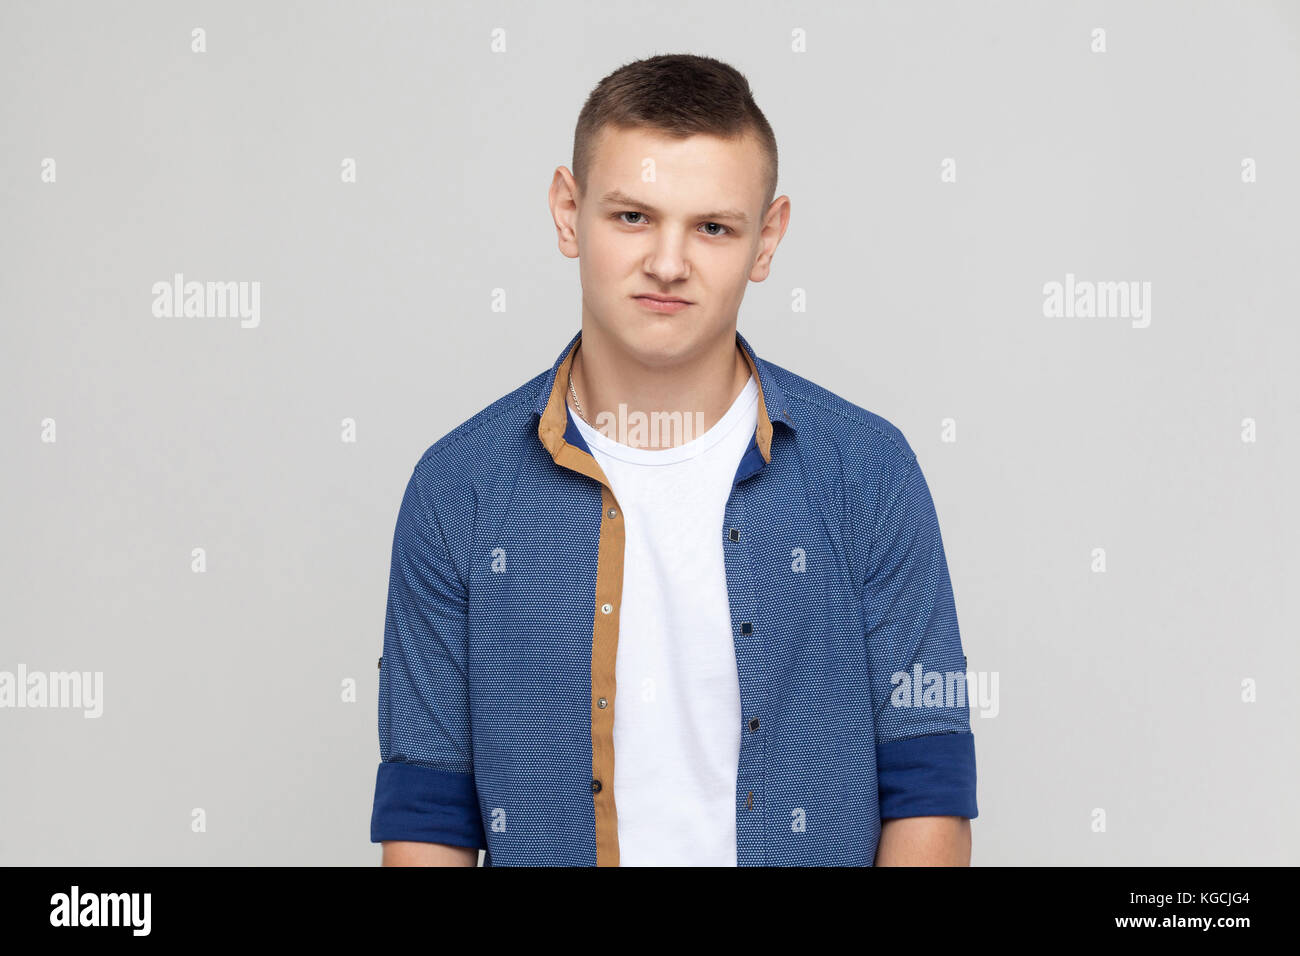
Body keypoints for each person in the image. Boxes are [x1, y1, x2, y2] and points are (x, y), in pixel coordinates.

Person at [370, 53, 977, 866]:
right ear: (566, 211)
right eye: (632, 218)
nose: (667, 262)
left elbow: (929, 787)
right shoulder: (459, 490)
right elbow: (429, 814)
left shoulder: (866, 472)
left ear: (767, 240)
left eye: (713, 227)